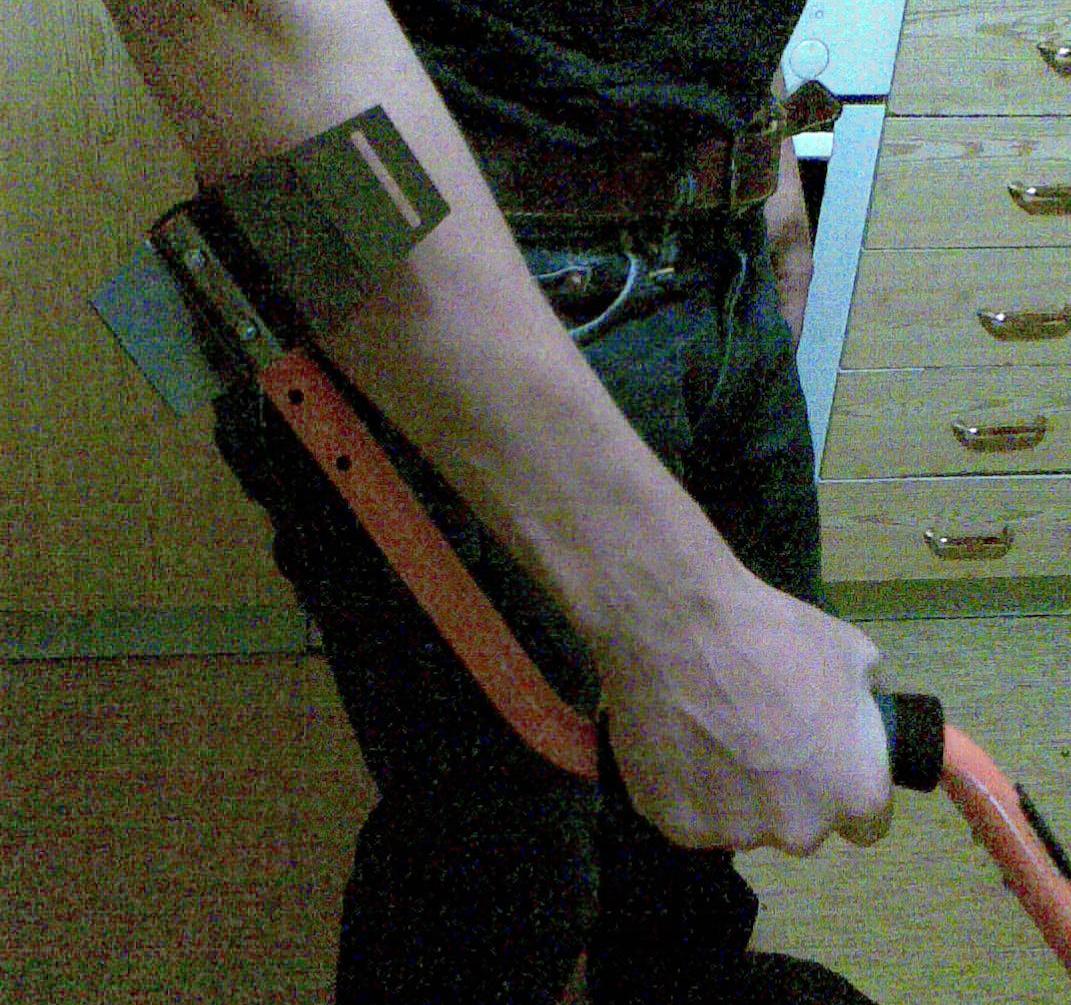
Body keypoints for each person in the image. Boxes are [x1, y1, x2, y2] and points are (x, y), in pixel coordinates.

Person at [101, 2, 894, 1001]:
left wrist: (752, 140)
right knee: (494, 852)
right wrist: (673, 612)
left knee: (690, 794)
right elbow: (242, 23)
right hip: (471, 259)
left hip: (720, 238)